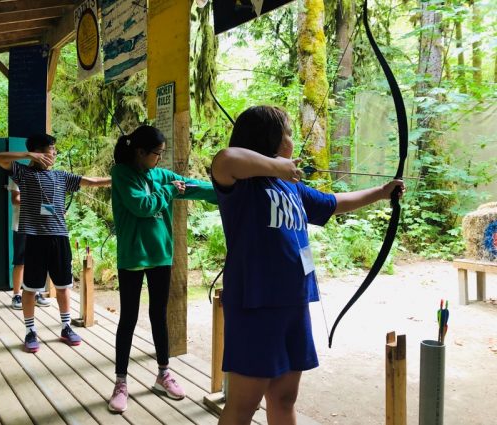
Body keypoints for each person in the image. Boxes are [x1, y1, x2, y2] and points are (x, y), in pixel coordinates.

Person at [210, 105, 406, 425]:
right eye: (287, 132)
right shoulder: (242, 184)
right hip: (255, 304)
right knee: (244, 404)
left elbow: (334, 204)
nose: (292, 138)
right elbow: (225, 159)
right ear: (268, 140)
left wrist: (382, 193)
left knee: (285, 397)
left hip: (294, 301)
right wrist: (276, 167)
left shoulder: (292, 187)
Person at [107, 125, 218, 413]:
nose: (160, 158)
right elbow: (141, 205)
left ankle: (163, 373)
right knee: (128, 318)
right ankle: (121, 382)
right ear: (140, 152)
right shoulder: (121, 174)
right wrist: (169, 191)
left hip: (160, 256)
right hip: (132, 257)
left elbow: (195, 188)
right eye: (157, 153)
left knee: (159, 315)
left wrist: (229, 188)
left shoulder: (162, 175)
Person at [0, 134, 110, 353]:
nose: (54, 153)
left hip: (59, 238)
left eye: (55, 150)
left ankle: (66, 327)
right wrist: (28, 155)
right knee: (30, 289)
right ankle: (30, 331)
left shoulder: (61, 176)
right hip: (35, 238)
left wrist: (120, 178)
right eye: (51, 149)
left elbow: (93, 182)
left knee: (64, 286)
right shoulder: (24, 173)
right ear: (38, 152)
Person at [7, 179, 51, 310]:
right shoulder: (17, 176)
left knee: (38, 261)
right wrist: (36, 202)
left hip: (38, 226)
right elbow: (15, 199)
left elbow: (46, 203)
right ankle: (16, 295)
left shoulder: (43, 178)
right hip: (21, 226)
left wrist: (56, 211)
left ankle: (36, 293)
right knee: (20, 261)